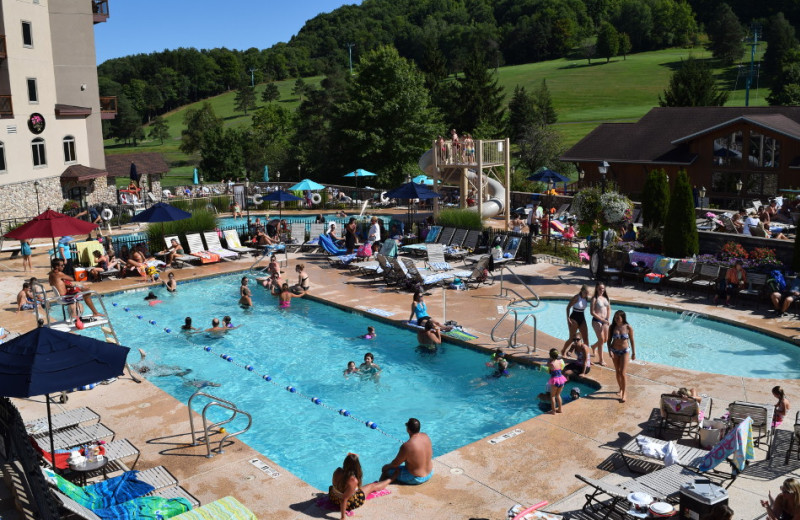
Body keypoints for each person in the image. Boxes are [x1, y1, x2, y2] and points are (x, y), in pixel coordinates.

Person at [329, 453, 391, 520]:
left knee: (363, 487)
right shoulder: (352, 480)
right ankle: (390, 479)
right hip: (348, 503)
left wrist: (351, 457)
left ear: (345, 462)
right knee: (372, 486)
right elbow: (344, 499)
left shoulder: (338, 470)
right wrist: (343, 517)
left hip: (333, 497)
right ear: (357, 466)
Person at [381, 418, 434, 485]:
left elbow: (395, 463)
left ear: (408, 430)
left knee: (387, 470)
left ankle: (379, 485)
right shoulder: (425, 436)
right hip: (430, 473)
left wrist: (386, 467)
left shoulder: (407, 446)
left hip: (416, 478)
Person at [607, 310, 635, 403]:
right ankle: (620, 388)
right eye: (615, 318)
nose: (616, 319)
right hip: (614, 351)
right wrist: (609, 350)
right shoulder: (612, 327)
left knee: (622, 372)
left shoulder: (628, 327)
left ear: (623, 318)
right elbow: (609, 340)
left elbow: (632, 340)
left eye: (618, 318)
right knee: (617, 372)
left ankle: (624, 393)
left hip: (624, 351)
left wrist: (634, 353)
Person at [563, 285, 590, 356]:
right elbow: (568, 307)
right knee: (572, 338)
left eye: (588, 293)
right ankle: (563, 350)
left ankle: (587, 356)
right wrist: (568, 318)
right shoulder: (576, 297)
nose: (587, 294)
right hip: (574, 318)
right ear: (582, 291)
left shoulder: (586, 298)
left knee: (586, 338)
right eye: (585, 292)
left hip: (582, 318)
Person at [589, 283, 610, 366]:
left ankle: (594, 346)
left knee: (605, 339)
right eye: (600, 289)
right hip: (597, 321)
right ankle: (601, 360)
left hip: (605, 321)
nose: (601, 290)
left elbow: (609, 309)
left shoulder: (606, 298)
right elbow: (592, 312)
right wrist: (601, 319)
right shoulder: (594, 299)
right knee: (601, 340)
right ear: (596, 289)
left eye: (603, 289)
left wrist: (607, 319)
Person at [547, 349, 567, 414]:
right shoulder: (560, 361)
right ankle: (560, 409)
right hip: (561, 379)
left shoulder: (551, 363)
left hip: (555, 380)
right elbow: (562, 367)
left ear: (550, 355)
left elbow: (547, 367)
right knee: (558, 395)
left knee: (552, 396)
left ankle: (553, 411)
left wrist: (549, 360)